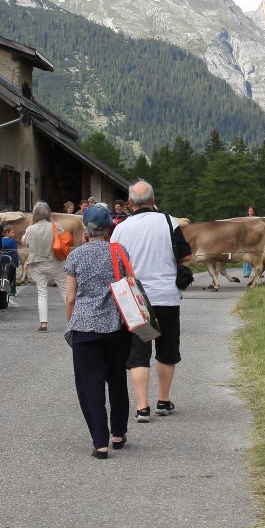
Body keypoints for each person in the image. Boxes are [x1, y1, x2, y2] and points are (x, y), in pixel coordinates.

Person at [110, 180, 189, 422]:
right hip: (167, 296)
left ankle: (142, 407)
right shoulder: (169, 222)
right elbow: (186, 256)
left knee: (139, 353)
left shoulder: (120, 229)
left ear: (129, 203)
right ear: (153, 201)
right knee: (166, 350)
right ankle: (163, 401)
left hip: (135, 298)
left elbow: (115, 263)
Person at [64, 205, 135, 459]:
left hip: (85, 328)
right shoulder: (119, 251)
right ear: (108, 228)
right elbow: (131, 283)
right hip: (116, 327)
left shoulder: (75, 256)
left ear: (85, 228)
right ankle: (118, 433)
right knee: (117, 379)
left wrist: (71, 323)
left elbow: (70, 298)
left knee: (90, 385)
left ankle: (100, 442)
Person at [23, 202, 64, 331]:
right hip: (55, 262)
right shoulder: (55, 226)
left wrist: (30, 225)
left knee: (42, 293)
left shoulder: (31, 229)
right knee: (65, 291)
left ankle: (43, 323)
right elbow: (63, 240)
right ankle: (74, 319)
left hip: (37, 263)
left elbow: (25, 242)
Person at [0, 225, 20, 308]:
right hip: (11, 261)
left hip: (1, 261)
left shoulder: (1, 240)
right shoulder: (12, 241)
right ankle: (12, 291)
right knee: (12, 276)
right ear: (7, 233)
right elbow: (15, 253)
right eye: (12, 232)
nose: (14, 233)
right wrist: (17, 262)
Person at [241, 204, 256, 279]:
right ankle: (246, 272)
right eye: (249, 211)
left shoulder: (257, 219)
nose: (250, 212)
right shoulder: (245, 220)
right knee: (246, 255)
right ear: (248, 212)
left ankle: (258, 271)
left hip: (255, 239)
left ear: (254, 212)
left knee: (257, 255)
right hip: (247, 239)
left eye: (252, 211)